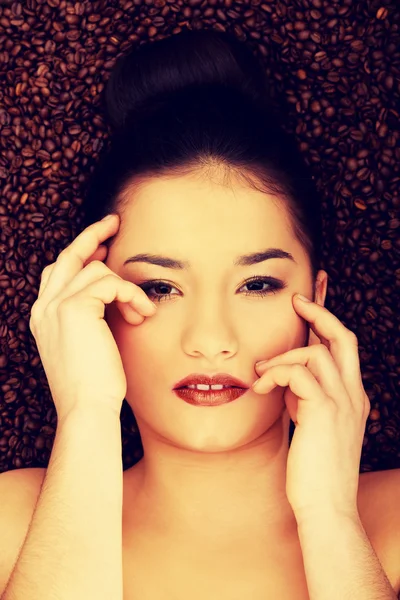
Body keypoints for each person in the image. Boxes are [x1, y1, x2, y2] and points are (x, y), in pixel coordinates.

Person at [82, 27, 328, 550]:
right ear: (94, 303)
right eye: (161, 288)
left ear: (318, 302)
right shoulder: (13, 529)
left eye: (257, 284)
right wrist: (85, 413)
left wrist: (330, 520)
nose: (211, 339)